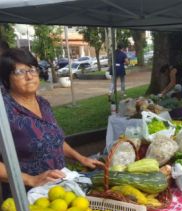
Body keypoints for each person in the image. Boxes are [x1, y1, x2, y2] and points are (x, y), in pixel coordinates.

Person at [0, 49, 104, 199]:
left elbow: (54, 140)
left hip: (59, 189)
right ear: (6, 79)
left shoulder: (43, 104)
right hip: (27, 198)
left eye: (32, 69)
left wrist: (81, 158)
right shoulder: (4, 111)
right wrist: (31, 180)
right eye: (19, 72)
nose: (29, 76)